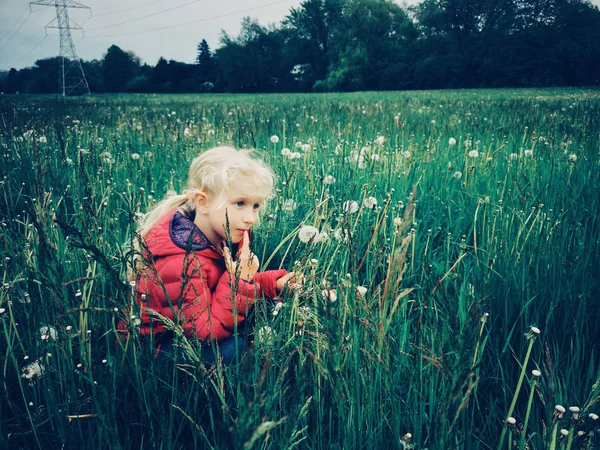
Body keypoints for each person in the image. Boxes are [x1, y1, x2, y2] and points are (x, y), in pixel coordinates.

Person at [125, 146, 295, 365]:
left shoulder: (216, 236)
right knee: (237, 348)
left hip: (188, 334)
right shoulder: (181, 261)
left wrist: (275, 283)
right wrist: (240, 279)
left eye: (255, 206)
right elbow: (203, 333)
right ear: (203, 202)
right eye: (240, 204)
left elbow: (213, 291)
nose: (251, 218)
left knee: (268, 314)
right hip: (156, 351)